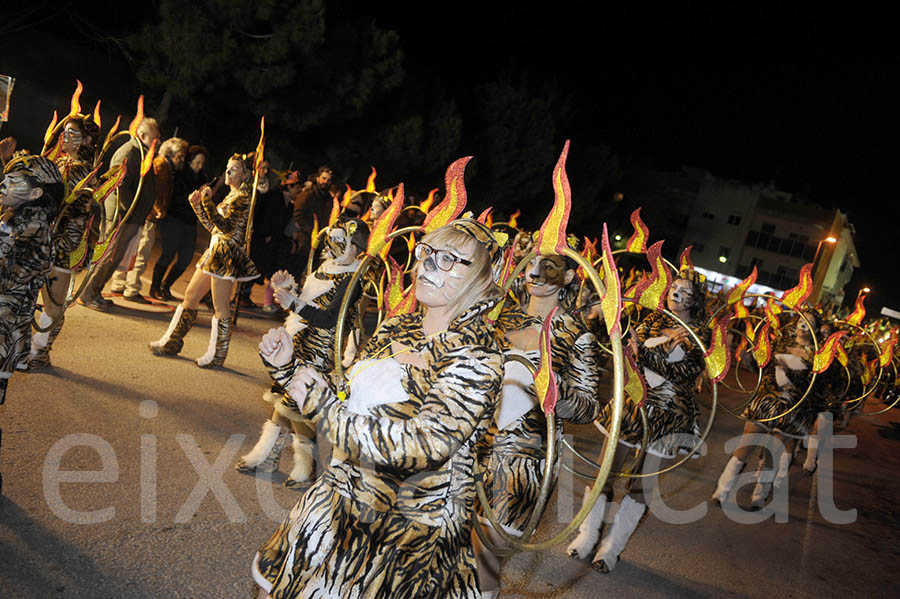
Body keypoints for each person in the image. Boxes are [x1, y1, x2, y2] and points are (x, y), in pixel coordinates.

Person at [250, 219, 504, 599]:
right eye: (427, 253)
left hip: (406, 532)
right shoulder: (397, 328)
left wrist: (324, 409)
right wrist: (290, 369)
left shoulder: (478, 356)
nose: (429, 266)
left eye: (449, 259)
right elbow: (348, 397)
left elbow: (425, 443)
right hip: (342, 500)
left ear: (480, 280)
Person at [475, 250, 603, 598]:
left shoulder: (576, 334)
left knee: (488, 548)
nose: (535, 272)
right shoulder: (502, 316)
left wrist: (555, 397)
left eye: (548, 266)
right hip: (473, 441)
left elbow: (588, 407)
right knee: (456, 541)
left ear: (569, 277)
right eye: (531, 263)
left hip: (524, 456)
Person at [568, 270, 709, 572]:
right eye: (674, 288)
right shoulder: (653, 319)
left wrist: (645, 350)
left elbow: (682, 372)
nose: (676, 294)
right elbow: (629, 353)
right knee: (605, 472)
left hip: (669, 416)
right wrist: (658, 345)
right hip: (632, 406)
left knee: (641, 486)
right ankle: (587, 536)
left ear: (696, 300)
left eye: (685, 291)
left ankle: (611, 549)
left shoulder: (701, 333)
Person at [235, 218, 369, 488]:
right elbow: (307, 307)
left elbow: (330, 318)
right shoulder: (326, 267)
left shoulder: (354, 278)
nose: (329, 250)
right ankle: (270, 458)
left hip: (320, 353)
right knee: (284, 400)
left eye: (337, 244)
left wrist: (293, 302)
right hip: (301, 342)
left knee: (298, 406)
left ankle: (309, 468)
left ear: (354, 248)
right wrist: (290, 289)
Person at [148, 153, 259, 368]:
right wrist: (198, 206)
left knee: (220, 307)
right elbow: (214, 227)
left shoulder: (243, 198)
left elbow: (226, 228)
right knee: (190, 296)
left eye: (234, 169)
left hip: (226, 256)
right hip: (214, 251)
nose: (228, 172)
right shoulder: (231, 195)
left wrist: (207, 202)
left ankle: (217, 354)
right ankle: (171, 342)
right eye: (227, 167)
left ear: (245, 175)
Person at [711, 310, 820, 508]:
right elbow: (761, 366)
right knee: (745, 447)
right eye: (802, 321)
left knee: (771, 452)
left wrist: (789, 370)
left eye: (810, 323)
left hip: (791, 410)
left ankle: (759, 497)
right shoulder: (779, 342)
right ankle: (721, 492)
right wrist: (747, 358)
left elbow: (813, 386)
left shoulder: (817, 356)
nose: (804, 326)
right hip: (765, 403)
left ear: (816, 329)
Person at [0, 154, 62, 493]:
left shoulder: (30, 223)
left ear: (37, 193)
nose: (4, 183)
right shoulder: (20, 216)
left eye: (15, 179)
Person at [24, 115, 99, 369]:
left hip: (64, 243)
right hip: (43, 238)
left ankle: (39, 351)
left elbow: (69, 208)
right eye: (63, 132)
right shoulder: (62, 161)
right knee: (30, 294)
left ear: (87, 140)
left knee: (54, 304)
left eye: (71, 133)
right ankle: (27, 347)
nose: (64, 137)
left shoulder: (82, 170)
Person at [78, 118, 160, 311]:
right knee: (108, 256)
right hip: (121, 216)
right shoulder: (129, 153)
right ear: (142, 135)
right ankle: (88, 294)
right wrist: (130, 210)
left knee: (114, 257)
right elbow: (120, 187)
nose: (159, 142)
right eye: (155, 138)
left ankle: (94, 293)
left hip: (129, 217)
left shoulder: (140, 153)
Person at [146, 137, 189, 300]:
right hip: (150, 215)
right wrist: (158, 209)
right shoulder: (161, 165)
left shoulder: (169, 169)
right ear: (171, 153)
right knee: (143, 253)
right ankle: (144, 289)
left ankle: (138, 288)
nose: (182, 159)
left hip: (156, 215)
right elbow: (154, 189)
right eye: (179, 155)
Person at [292, 166, 333, 269]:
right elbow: (298, 213)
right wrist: (310, 231)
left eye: (328, 180)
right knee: (295, 269)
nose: (325, 182)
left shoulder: (330, 200)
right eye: (323, 178)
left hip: (318, 245)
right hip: (304, 242)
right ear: (318, 178)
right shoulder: (308, 194)